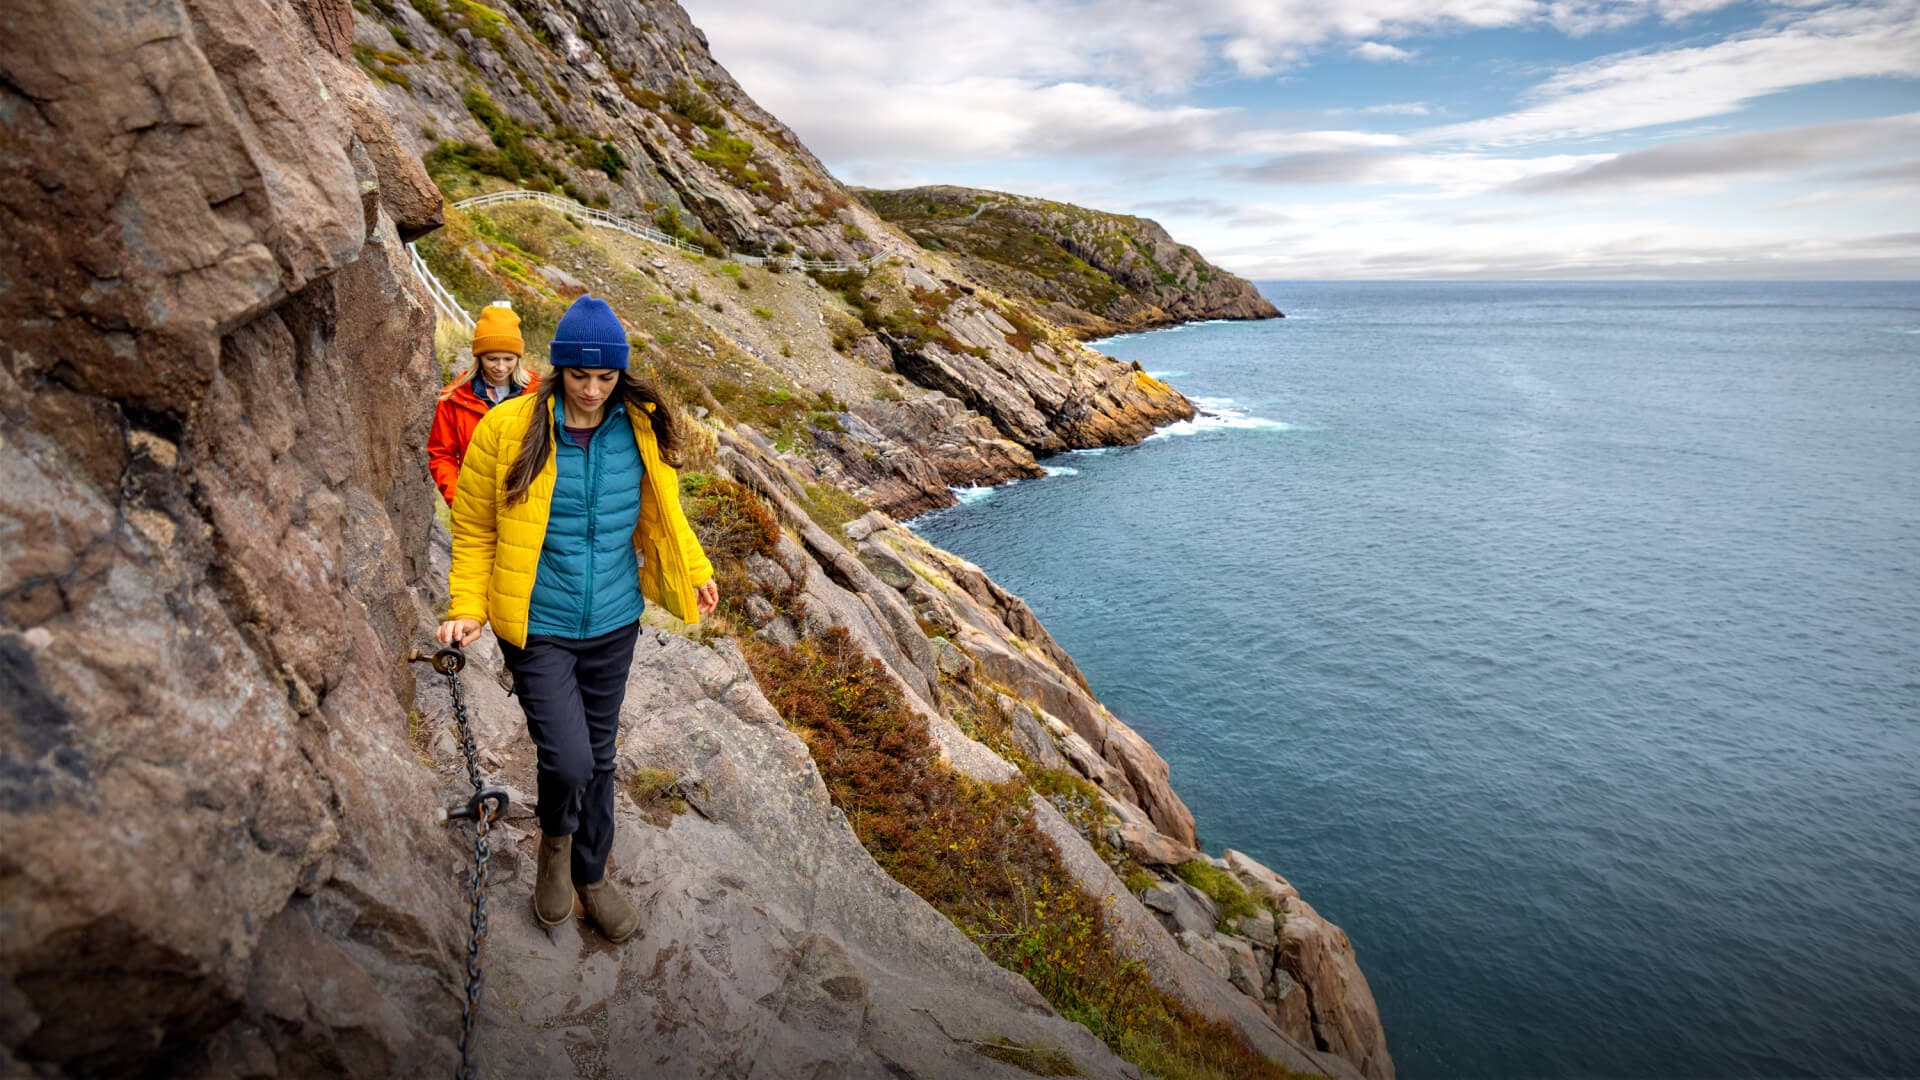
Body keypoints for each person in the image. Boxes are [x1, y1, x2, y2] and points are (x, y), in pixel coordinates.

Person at [436, 294, 719, 942]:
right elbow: (475, 527)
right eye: (579, 376)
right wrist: (465, 607)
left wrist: (696, 572)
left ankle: (592, 874)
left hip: (616, 620)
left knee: (598, 754)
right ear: (557, 369)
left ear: (621, 374)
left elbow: (664, 515)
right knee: (567, 761)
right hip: (539, 626)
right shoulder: (508, 428)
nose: (592, 392)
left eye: (605, 378)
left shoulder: (640, 424)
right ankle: (556, 848)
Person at [428, 303, 539, 506]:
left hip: (526, 504)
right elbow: (442, 455)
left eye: (508, 358)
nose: (500, 367)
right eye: (492, 359)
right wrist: (457, 500)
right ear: (479, 356)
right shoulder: (454, 397)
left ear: (518, 357)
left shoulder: (538, 393)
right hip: (475, 504)